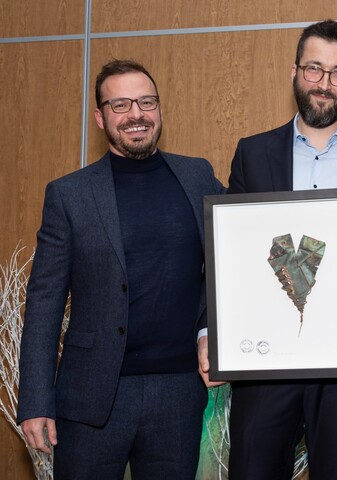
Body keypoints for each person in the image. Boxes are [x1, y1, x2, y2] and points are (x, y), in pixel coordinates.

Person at [198, 19, 337, 480]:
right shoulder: (252, 153)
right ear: (295, 72)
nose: (324, 83)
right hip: (265, 362)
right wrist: (209, 334)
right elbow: (230, 255)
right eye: (314, 69)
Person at [17, 59, 225, 479]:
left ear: (160, 109)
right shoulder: (68, 195)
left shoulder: (197, 175)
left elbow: (237, 251)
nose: (136, 114)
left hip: (178, 394)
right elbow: (43, 305)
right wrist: (36, 401)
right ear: (100, 117)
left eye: (147, 102)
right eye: (121, 105)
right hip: (91, 398)